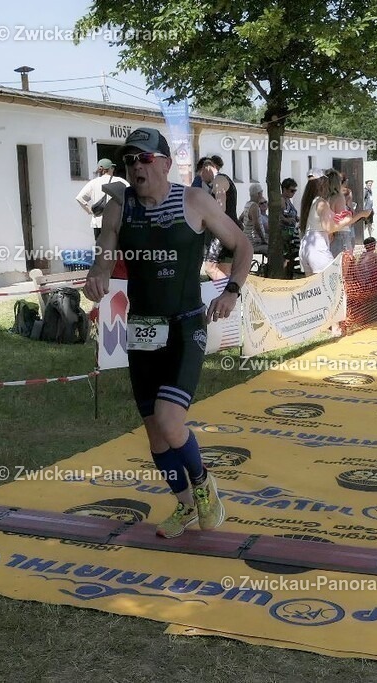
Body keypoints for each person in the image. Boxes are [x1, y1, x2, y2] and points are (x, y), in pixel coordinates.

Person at [82, 127, 252, 538]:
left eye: (142, 159)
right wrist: (99, 273)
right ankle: (185, 505)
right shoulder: (119, 206)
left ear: (163, 163)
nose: (134, 167)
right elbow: (107, 247)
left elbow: (242, 245)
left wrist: (231, 291)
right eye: (128, 161)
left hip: (185, 326)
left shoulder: (193, 200)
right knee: (156, 434)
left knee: (171, 421)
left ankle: (204, 485)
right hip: (143, 328)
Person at [299, 170, 370, 276]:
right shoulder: (322, 203)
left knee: (313, 287)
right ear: (323, 183)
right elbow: (329, 228)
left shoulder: (313, 201)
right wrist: (349, 219)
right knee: (334, 280)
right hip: (317, 248)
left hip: (306, 247)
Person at [76, 158, 128, 241]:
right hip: (116, 222)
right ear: (110, 169)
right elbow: (131, 195)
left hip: (98, 223)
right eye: (112, 168)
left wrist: (90, 210)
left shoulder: (93, 183)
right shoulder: (120, 181)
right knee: (116, 249)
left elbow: (79, 198)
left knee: (101, 250)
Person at [279, 178, 300, 278]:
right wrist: (287, 220)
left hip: (291, 231)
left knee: (292, 256)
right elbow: (278, 216)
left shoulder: (288, 201)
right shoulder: (282, 200)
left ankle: (290, 273)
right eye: (292, 190)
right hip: (285, 232)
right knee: (287, 256)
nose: (294, 193)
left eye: (295, 191)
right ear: (284, 189)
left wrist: (296, 218)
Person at [241, 182, 269, 256]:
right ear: (259, 194)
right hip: (254, 242)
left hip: (249, 239)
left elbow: (240, 219)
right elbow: (256, 226)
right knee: (274, 249)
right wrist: (263, 240)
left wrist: (245, 230)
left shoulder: (247, 204)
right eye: (261, 193)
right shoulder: (254, 206)